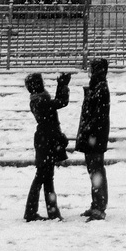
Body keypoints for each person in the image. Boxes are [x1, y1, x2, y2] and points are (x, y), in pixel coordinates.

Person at [23, 71, 71, 222]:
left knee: (45, 177)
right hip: (46, 141)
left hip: (45, 140)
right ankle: (36, 212)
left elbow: (57, 103)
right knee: (43, 177)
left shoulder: (39, 100)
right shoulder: (41, 101)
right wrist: (62, 85)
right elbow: (61, 102)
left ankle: (50, 211)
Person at [75, 58, 111, 222]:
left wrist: (89, 132)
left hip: (95, 137)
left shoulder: (101, 88)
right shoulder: (97, 86)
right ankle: (96, 204)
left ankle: (99, 206)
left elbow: (97, 115)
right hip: (93, 136)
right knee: (94, 171)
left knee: (96, 171)